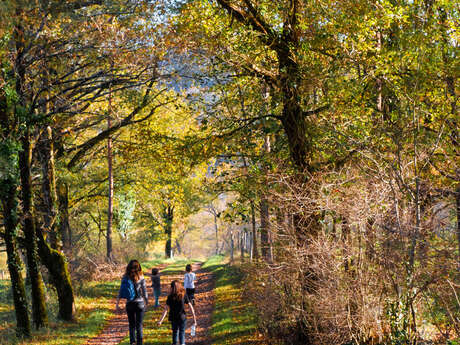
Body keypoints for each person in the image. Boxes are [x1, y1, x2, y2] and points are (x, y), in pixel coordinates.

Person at [116, 260, 148, 345]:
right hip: (139, 303)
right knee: (139, 325)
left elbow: (120, 291)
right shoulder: (141, 277)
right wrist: (146, 302)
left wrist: (117, 303)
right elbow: (144, 291)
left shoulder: (125, 277)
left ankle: (132, 342)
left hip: (129, 303)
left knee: (131, 325)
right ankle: (139, 343)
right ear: (138, 267)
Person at [158, 280, 197, 345]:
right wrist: (194, 319)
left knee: (175, 332)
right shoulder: (183, 295)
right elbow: (191, 307)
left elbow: (165, 309)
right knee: (182, 332)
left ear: (172, 288)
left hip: (173, 318)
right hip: (182, 318)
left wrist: (160, 320)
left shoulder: (170, 297)